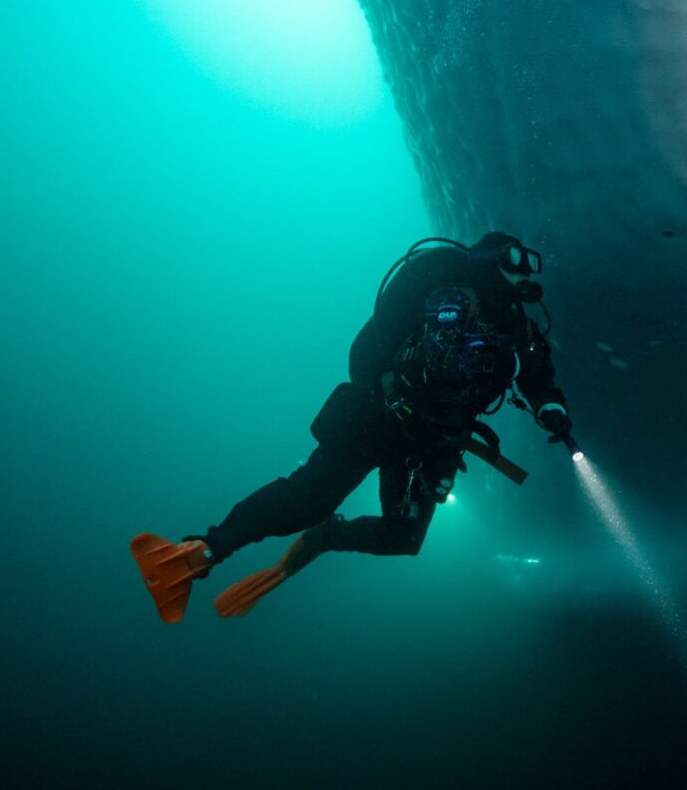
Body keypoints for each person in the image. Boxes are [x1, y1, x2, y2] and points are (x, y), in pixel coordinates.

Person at [130, 232, 575, 623]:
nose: (526, 271)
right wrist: (510, 360)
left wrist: (550, 405)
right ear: (489, 261)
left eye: (530, 263)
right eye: (517, 259)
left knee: (404, 536)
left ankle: (329, 536)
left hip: (430, 442)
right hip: (378, 417)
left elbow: (538, 373)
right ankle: (202, 551)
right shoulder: (454, 296)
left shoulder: (517, 326)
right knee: (306, 499)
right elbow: (444, 361)